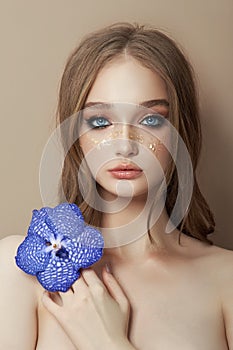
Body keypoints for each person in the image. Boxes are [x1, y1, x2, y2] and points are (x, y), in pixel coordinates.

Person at [0, 22, 232, 350]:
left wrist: (107, 342)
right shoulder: (17, 273)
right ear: (75, 138)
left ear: (181, 132)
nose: (124, 145)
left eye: (151, 120)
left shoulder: (226, 281)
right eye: (100, 122)